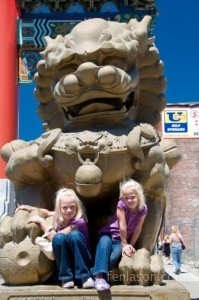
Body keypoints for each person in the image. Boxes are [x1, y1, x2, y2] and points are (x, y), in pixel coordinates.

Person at [15, 188, 94, 289]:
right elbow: (47, 212)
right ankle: (66, 277)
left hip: (82, 260)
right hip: (66, 260)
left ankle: (84, 277)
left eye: (72, 207)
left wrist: (41, 222)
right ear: (59, 208)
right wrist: (29, 208)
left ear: (77, 207)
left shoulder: (79, 221)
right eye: (65, 207)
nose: (69, 210)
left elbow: (55, 237)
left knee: (71, 236)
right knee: (61, 238)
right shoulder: (58, 216)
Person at [93, 179, 148, 291]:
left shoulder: (143, 209)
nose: (129, 200)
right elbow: (122, 225)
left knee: (114, 257)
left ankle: (91, 272)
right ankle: (99, 277)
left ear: (139, 196)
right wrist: (125, 244)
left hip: (120, 240)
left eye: (132, 197)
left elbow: (138, 229)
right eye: (126, 197)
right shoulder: (121, 204)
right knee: (104, 244)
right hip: (108, 234)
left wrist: (130, 245)